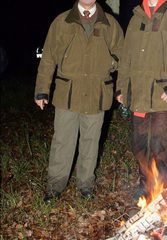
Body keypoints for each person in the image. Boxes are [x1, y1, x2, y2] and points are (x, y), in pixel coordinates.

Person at [35, 0, 124, 203]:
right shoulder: (61, 22)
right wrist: (42, 90)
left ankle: (86, 184)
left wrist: (111, 62)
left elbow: (123, 54)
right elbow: (48, 57)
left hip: (97, 93)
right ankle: (55, 185)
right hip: (68, 93)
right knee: (62, 141)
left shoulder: (110, 23)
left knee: (91, 142)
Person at [116, 0, 167, 200]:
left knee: (159, 145)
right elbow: (126, 59)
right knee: (140, 144)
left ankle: (162, 190)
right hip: (139, 95)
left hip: (163, 95)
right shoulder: (136, 18)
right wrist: (121, 87)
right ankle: (145, 186)